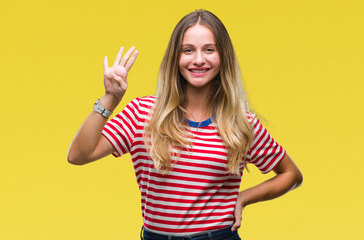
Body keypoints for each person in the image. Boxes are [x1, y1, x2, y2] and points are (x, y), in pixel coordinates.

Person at [67, 9, 303, 240]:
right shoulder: (142, 113)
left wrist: (244, 197)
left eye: (209, 50)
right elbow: (79, 155)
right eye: (188, 50)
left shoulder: (240, 122)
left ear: (223, 57)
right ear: (175, 58)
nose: (198, 59)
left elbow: (291, 174)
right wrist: (110, 98)